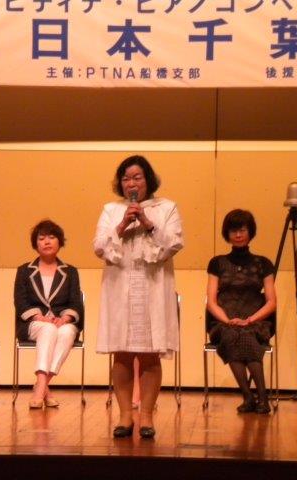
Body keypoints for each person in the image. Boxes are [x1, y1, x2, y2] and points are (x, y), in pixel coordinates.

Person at [94, 155, 183, 439]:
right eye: (126, 178)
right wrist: (122, 225)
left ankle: (146, 416)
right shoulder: (111, 210)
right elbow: (99, 247)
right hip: (120, 287)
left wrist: (147, 222)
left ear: (148, 180)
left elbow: (174, 243)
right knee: (121, 353)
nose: (131, 183)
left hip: (153, 287)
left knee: (149, 354)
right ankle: (124, 415)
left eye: (137, 177)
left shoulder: (167, 208)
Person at [206, 209, 277, 414]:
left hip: (256, 320)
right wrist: (227, 320)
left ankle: (260, 398)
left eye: (242, 230)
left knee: (246, 336)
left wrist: (250, 320)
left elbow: (271, 302)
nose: (238, 235)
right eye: (233, 231)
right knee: (231, 335)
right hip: (223, 321)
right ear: (227, 234)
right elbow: (211, 302)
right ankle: (250, 397)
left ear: (250, 232)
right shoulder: (217, 263)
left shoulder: (263, 263)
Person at [14, 220, 84, 409]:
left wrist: (65, 318)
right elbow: (21, 302)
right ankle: (41, 390)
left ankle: (41, 384)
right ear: (35, 244)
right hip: (33, 323)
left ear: (59, 242)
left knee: (68, 332)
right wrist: (40, 317)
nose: (46, 241)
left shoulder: (70, 272)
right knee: (47, 329)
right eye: (41, 238)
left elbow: (75, 303)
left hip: (61, 322)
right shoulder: (24, 271)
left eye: (51, 237)